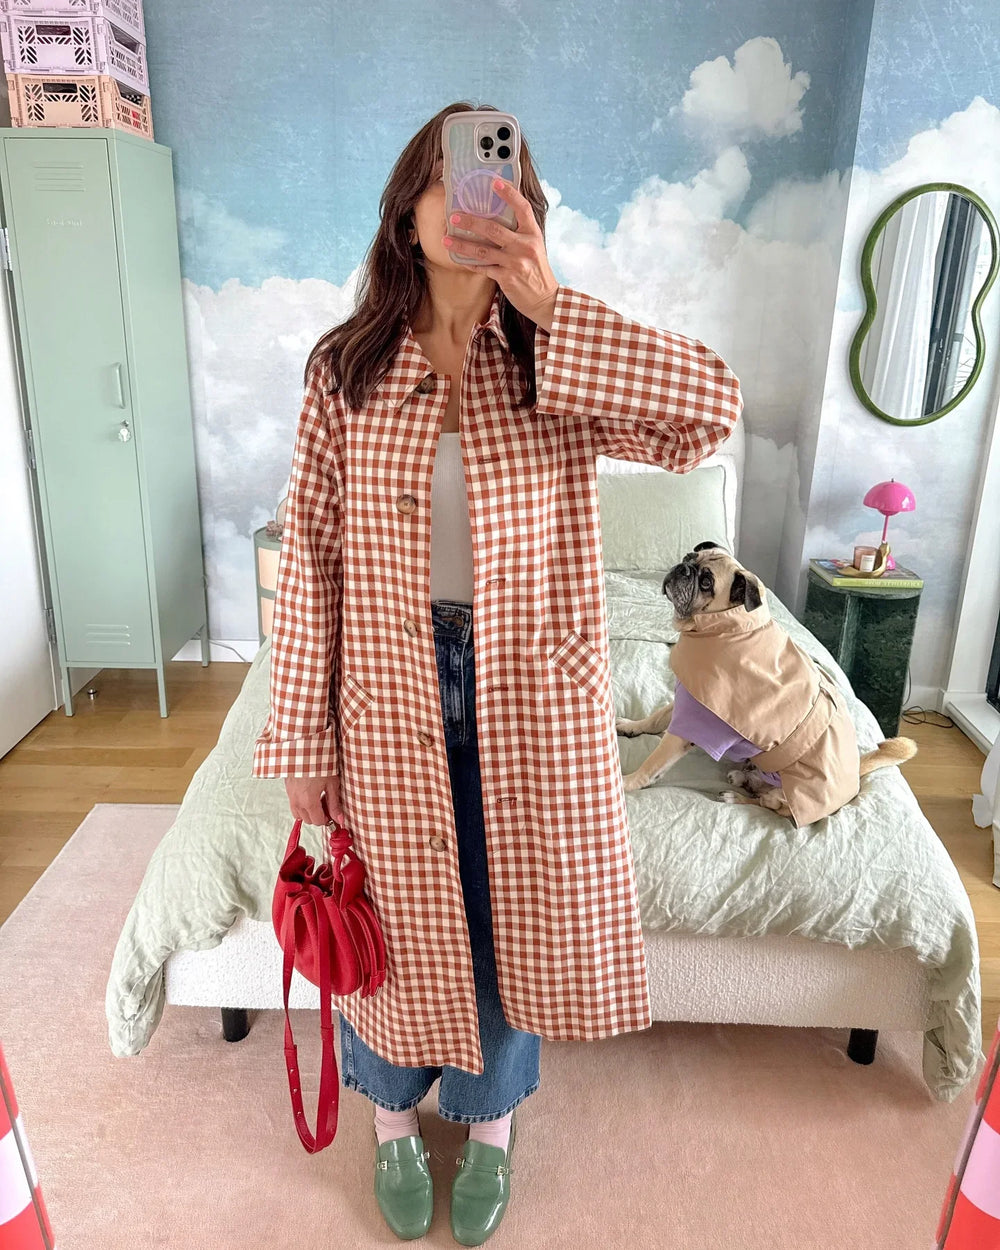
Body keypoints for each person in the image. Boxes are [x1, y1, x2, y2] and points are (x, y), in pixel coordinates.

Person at [252, 101, 743, 1244]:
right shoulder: (347, 367)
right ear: (406, 210)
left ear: (524, 204)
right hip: (390, 678)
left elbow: (709, 409)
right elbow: (313, 555)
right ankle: (387, 1115)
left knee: (503, 912)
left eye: (495, 178)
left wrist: (552, 301)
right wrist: (302, 743)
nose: (467, 198)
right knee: (394, 909)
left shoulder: (558, 357)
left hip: (533, 685)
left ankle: (488, 1125)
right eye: (444, 177)